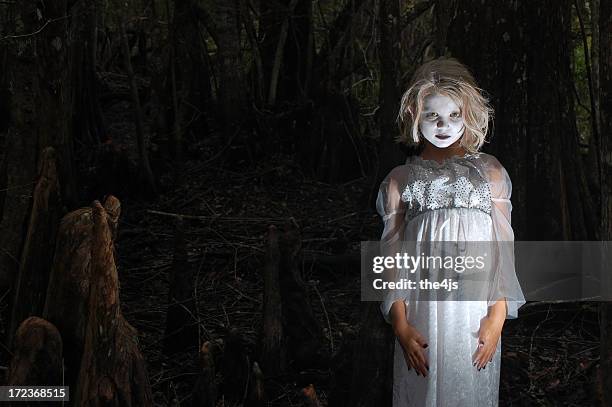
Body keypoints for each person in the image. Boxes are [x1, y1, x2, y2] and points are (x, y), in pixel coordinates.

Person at [376, 56, 526, 406]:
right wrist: (400, 324)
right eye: (433, 116)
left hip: (475, 314)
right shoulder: (400, 180)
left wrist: (497, 316)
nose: (443, 125)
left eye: (453, 115)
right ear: (416, 116)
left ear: (468, 115)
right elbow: (390, 258)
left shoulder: (490, 173)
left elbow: (503, 250)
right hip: (420, 311)